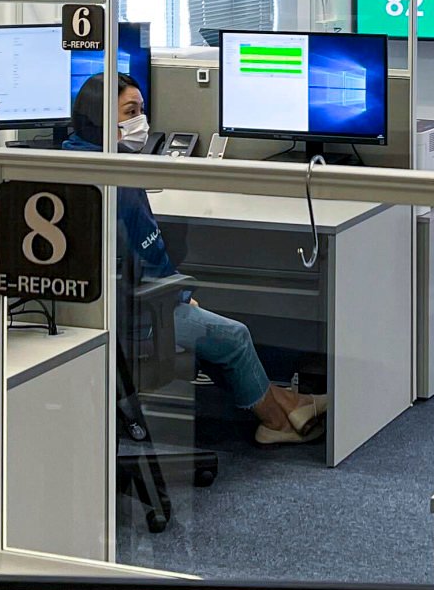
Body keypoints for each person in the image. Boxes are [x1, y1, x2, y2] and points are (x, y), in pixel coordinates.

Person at [64, 73, 326, 445]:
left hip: (79, 312)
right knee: (234, 337)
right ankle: (276, 423)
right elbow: (150, 257)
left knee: (212, 337)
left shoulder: (61, 158)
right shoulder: (120, 176)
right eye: (130, 111)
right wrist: (180, 295)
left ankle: (290, 401)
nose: (141, 121)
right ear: (103, 118)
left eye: (142, 110)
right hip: (132, 316)